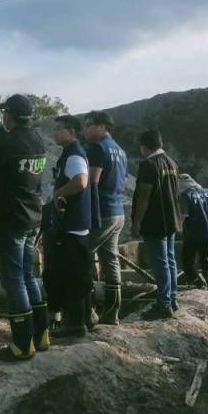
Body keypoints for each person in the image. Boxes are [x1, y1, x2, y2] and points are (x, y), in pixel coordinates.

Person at [0, 95, 49, 361]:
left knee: (13, 280)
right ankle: (41, 337)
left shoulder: (6, 144)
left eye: (4, 114)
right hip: (32, 218)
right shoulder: (37, 140)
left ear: (11, 116)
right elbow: (7, 141)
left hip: (11, 219)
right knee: (29, 276)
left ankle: (21, 345)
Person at [44, 114, 99, 337]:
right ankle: (86, 317)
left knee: (71, 276)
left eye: (59, 129)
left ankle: (75, 324)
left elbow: (81, 181)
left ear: (72, 132)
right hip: (76, 226)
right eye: (55, 129)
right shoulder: (70, 154)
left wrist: (58, 192)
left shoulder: (74, 155)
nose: (55, 133)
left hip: (71, 227)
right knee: (80, 274)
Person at [131, 129, 182, 320]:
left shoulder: (148, 165)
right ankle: (172, 297)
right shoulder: (172, 163)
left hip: (155, 221)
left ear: (145, 146)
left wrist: (137, 223)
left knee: (160, 262)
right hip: (171, 219)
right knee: (170, 260)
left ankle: (163, 304)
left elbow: (144, 195)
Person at [82, 110, 128, 325]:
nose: (85, 130)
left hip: (102, 213)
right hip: (118, 211)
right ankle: (112, 313)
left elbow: (92, 183)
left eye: (89, 125)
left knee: (81, 256)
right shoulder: (120, 150)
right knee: (110, 259)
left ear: (102, 127)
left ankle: (87, 311)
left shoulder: (98, 149)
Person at [178, 174, 208, 289]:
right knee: (206, 257)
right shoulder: (207, 192)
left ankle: (199, 282)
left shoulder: (185, 195)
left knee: (187, 261)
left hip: (194, 232)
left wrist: (178, 229)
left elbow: (182, 216)